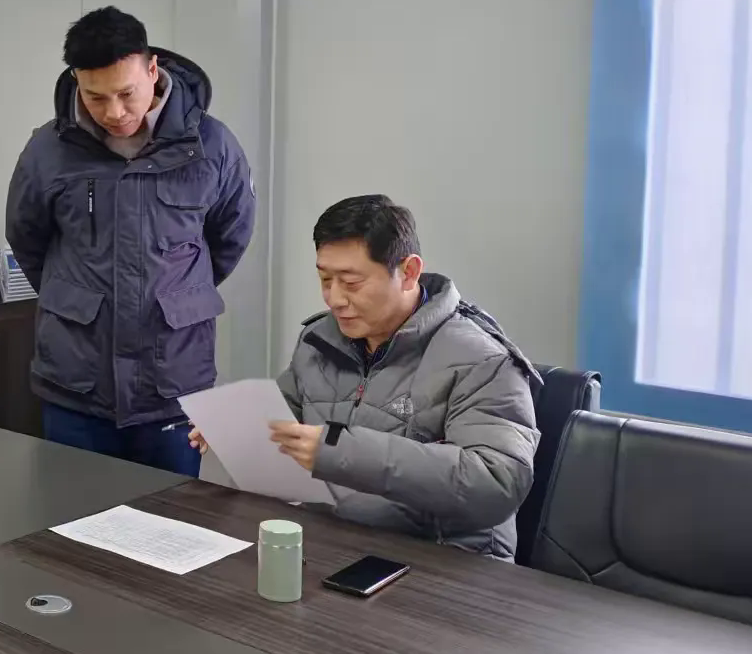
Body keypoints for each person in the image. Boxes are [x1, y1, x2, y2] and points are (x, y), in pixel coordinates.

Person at [196, 195, 539, 559]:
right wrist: (235, 429)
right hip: (337, 545)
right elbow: (286, 422)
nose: (334, 299)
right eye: (325, 279)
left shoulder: (482, 360)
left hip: (443, 563)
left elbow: (497, 484)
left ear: (408, 272)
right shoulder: (319, 342)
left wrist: (340, 450)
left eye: (351, 282)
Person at [6, 6, 256, 476]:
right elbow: (27, 238)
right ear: (76, 81)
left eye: (126, 93)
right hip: (76, 385)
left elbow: (229, 237)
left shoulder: (211, 146)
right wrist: (75, 296)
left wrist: (176, 292)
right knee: (71, 516)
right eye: (95, 97)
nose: (114, 112)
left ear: (152, 69)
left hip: (172, 383)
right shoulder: (49, 149)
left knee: (172, 517)